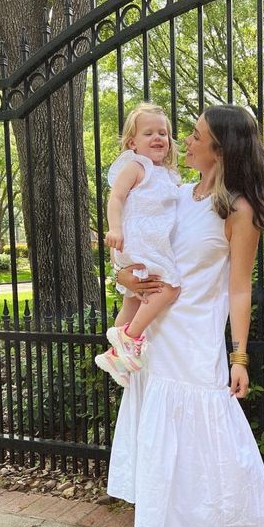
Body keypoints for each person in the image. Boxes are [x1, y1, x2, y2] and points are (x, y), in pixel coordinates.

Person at [107, 104, 264, 527]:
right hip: (155, 339)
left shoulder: (236, 208)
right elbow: (142, 251)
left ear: (221, 149)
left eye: (195, 136)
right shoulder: (171, 192)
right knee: (171, 437)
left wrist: (239, 355)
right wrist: (124, 278)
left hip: (195, 341)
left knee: (226, 439)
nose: (182, 143)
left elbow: (238, 289)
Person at [95, 103, 181, 387]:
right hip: (138, 242)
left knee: (132, 300)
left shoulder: (169, 176)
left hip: (150, 244)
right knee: (169, 287)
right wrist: (115, 228)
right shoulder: (136, 166)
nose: (158, 138)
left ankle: (118, 358)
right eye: (149, 133)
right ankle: (129, 338)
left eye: (163, 133)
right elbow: (116, 198)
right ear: (133, 142)